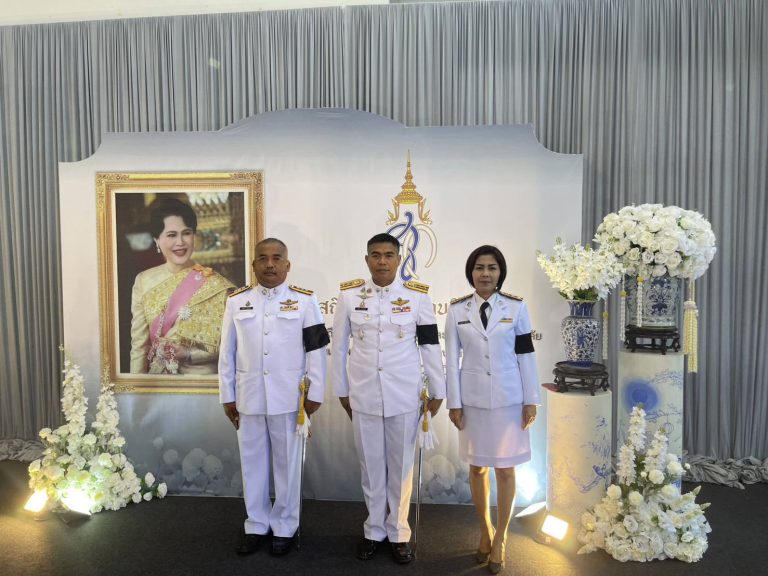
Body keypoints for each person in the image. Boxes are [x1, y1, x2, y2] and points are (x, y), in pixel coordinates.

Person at [332, 233, 446, 565]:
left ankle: (398, 532)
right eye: (375, 255)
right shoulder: (349, 296)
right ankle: (373, 531)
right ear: (367, 259)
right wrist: (342, 391)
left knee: (400, 467)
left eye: (388, 255)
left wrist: (438, 392)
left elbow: (430, 345)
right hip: (363, 393)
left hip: (404, 395)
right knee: (370, 467)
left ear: (399, 259)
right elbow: (338, 348)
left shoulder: (417, 297)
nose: (382, 261)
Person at [219, 238, 329, 556]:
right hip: (248, 396)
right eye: (263, 258)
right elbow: (227, 352)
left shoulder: (305, 301)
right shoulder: (237, 301)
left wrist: (315, 393)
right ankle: (255, 523)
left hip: (289, 399)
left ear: (287, 265)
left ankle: (285, 526)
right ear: (253, 264)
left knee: (287, 465)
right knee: (251, 464)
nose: (269, 264)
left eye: (276, 258)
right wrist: (227, 394)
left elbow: (317, 351)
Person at [444, 245, 540, 575]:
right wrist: (454, 403)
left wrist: (531, 399)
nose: (485, 274)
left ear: (500, 273)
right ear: (470, 272)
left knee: (506, 470)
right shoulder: (456, 310)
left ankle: (501, 538)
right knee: (477, 469)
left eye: (492, 268)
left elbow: (526, 355)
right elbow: (451, 361)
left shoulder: (516, 307)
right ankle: (485, 529)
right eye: (479, 267)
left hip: (509, 400)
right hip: (472, 402)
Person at [129, 197, 234, 374]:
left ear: (194, 236)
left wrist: (188, 354)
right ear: (157, 240)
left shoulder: (215, 284)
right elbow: (139, 347)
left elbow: (229, 344)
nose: (180, 242)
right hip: (160, 380)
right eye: (171, 235)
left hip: (201, 379)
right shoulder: (144, 281)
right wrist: (136, 387)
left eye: (186, 233)